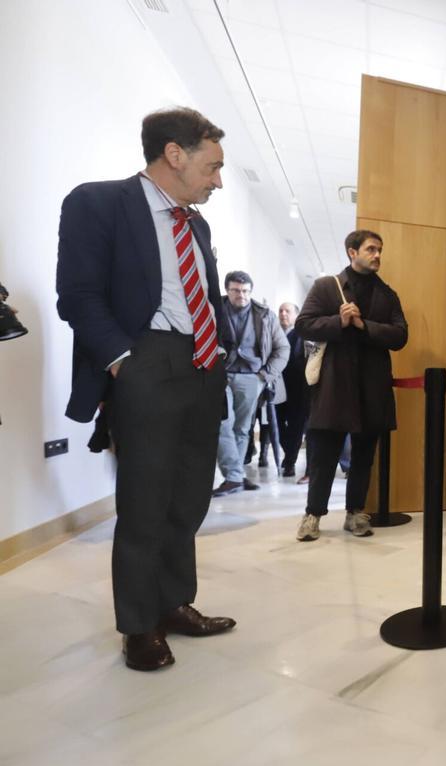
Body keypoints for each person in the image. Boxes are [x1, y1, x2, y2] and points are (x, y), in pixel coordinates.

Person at [56, 107, 236, 672]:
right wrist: (122, 363)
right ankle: (138, 625)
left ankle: (174, 602)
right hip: (144, 361)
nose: (218, 180)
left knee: (189, 496)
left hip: (202, 367)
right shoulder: (98, 203)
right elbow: (78, 295)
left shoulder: (196, 224)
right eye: (212, 167)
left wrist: (220, 350)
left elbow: (202, 294)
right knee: (144, 502)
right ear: (174, 155)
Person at [295, 230, 408, 541]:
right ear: (351, 252)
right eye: (371, 249)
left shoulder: (387, 294)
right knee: (324, 455)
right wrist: (338, 322)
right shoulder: (326, 286)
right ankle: (312, 515)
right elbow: (303, 325)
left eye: (379, 250)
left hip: (372, 387)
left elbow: (400, 335)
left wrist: (363, 325)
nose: (377, 256)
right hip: (334, 385)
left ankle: (355, 513)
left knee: (363, 456)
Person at [211, 271, 288, 496]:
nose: (241, 295)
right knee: (222, 424)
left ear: (251, 292)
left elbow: (282, 349)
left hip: (252, 377)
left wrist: (265, 376)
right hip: (221, 375)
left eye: (245, 291)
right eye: (236, 290)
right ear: (227, 290)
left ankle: (235, 476)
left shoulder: (265, 315)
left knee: (243, 428)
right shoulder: (214, 310)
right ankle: (235, 476)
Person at [275, 301, 310, 478]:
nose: (283, 314)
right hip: (277, 387)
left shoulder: (302, 335)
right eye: (280, 311)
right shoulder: (273, 333)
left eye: (287, 311)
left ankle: (289, 462)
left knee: (296, 425)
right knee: (277, 423)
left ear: (296, 315)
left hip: (297, 388)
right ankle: (289, 454)